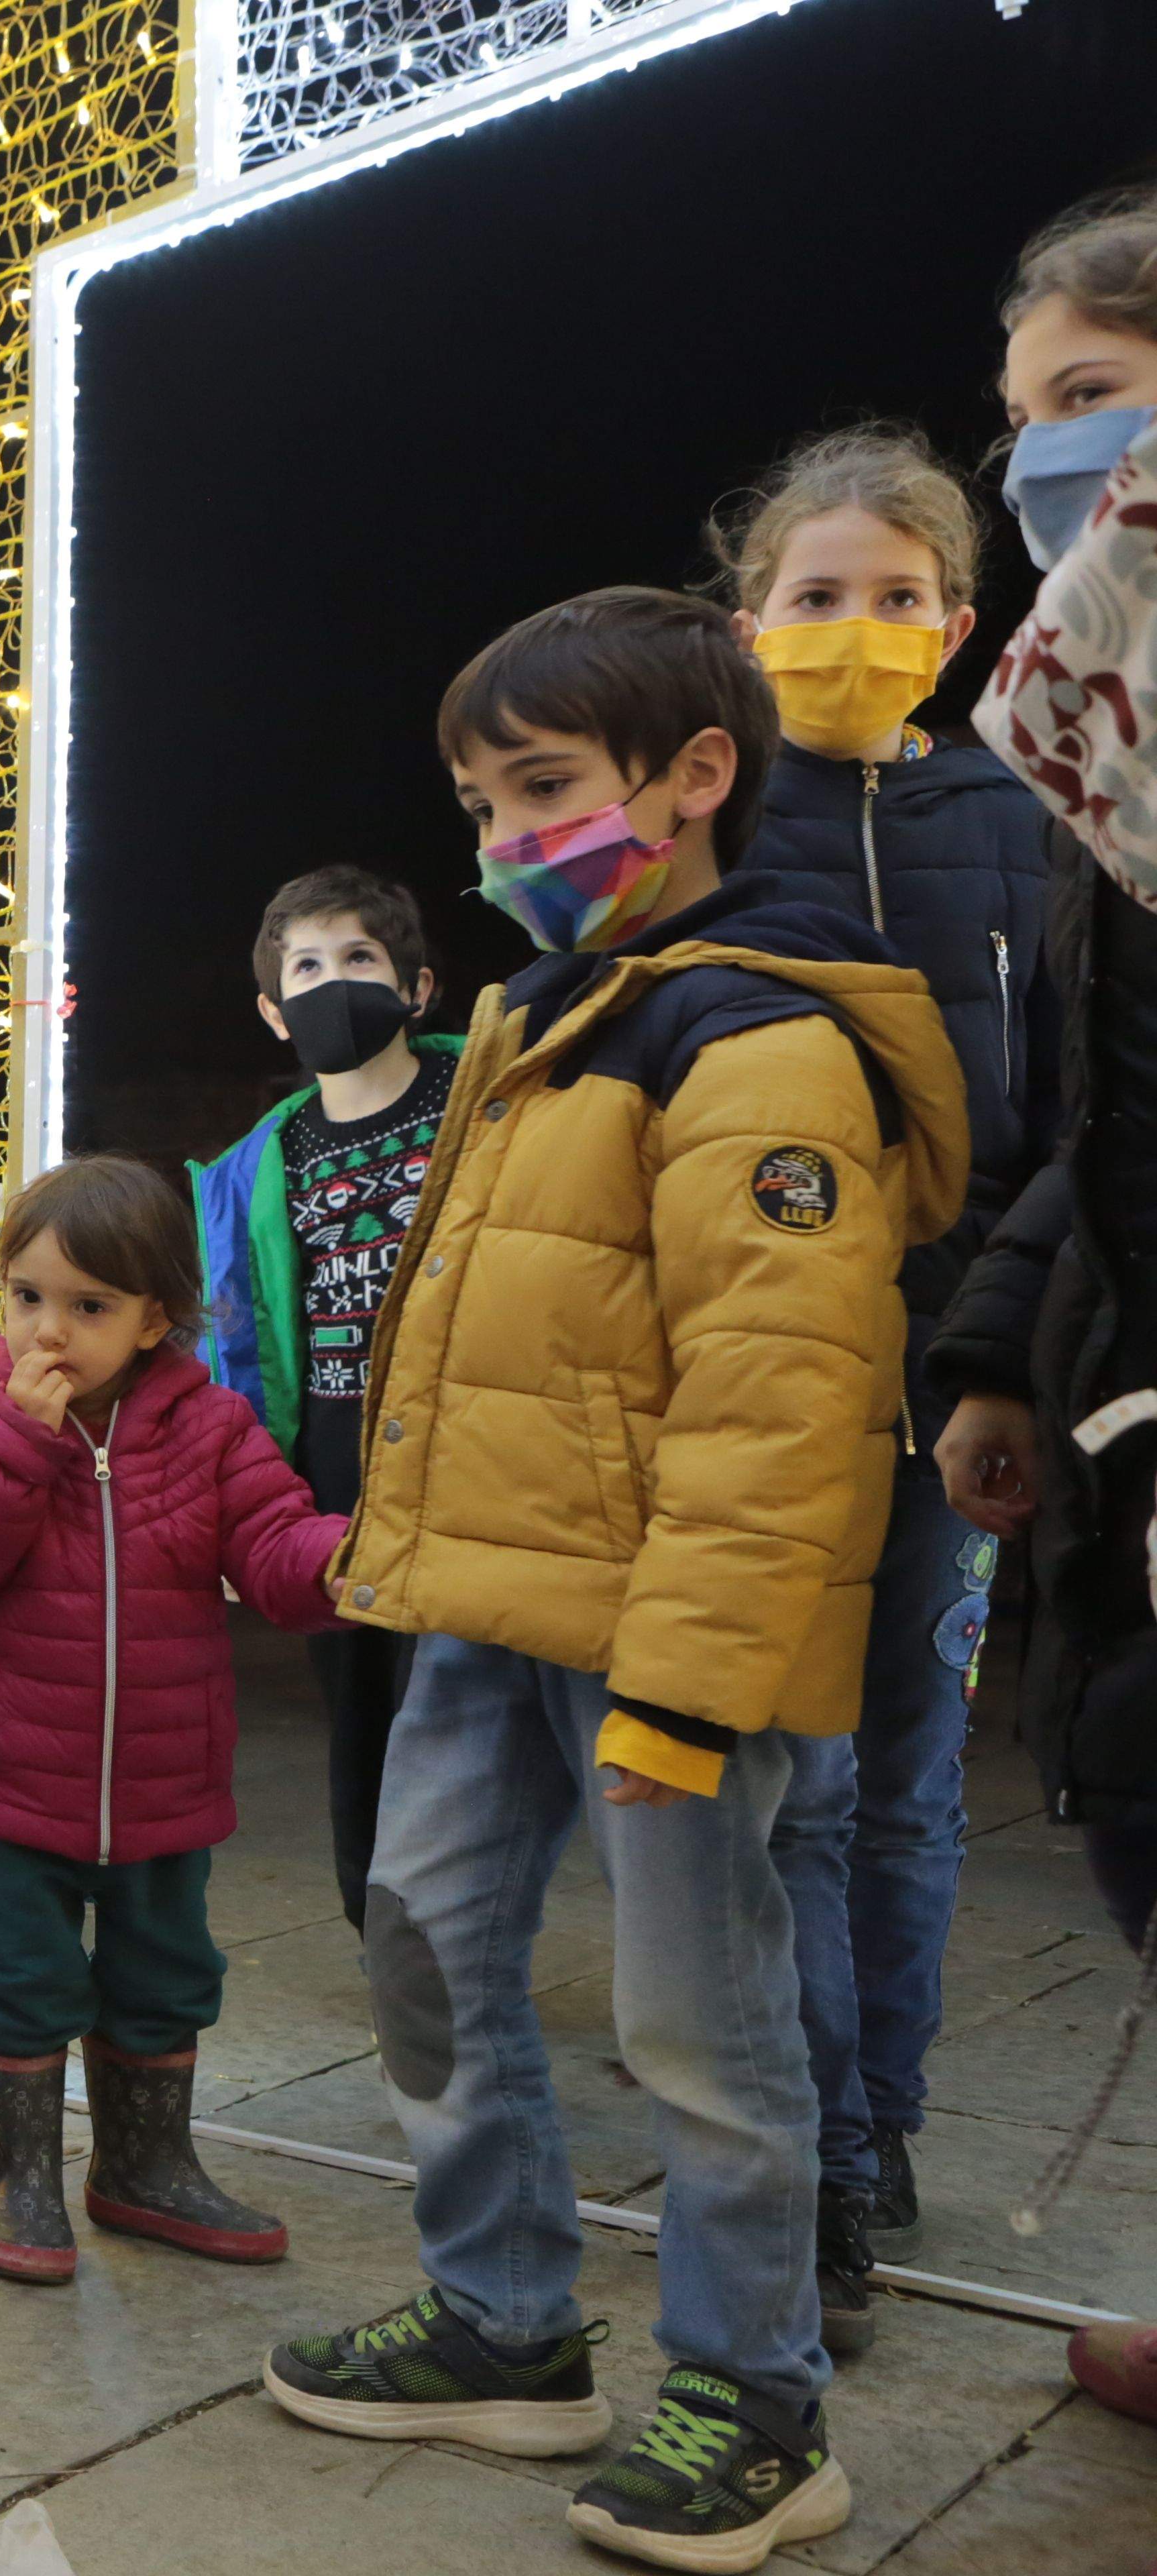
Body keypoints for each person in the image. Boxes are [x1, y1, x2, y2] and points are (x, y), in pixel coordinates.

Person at [261, 588, 963, 2575]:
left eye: (543, 790)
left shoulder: (758, 1038)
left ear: (696, 777)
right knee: (424, 1944)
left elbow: (784, 1404)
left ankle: (758, 2404)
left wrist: (692, 1690)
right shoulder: (532, 1023)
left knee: (699, 2022)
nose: (501, 842)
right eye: (478, 801)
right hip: (485, 1603)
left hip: (664, 1633)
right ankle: (503, 2321)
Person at [713, 424, 1061, 2348]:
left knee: (914, 1782)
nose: (857, 627)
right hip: (763, 1375)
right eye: (816, 598)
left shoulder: (1021, 820)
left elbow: (1066, 1103)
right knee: (801, 1792)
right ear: (746, 624)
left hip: (953, 1384)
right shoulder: (710, 826)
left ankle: (885, 2125)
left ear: (957, 617)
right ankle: (822, 2154)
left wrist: (995, 1341)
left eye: (897, 597)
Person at [0, 1156, 343, 2286]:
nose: (50, 1331)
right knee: (25, 1971)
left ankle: (145, 2166)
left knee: (166, 1970)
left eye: (89, 1306)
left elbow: (277, 1554)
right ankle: (28, 2180)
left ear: (156, 1319)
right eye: (27, 1297)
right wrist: (16, 1439)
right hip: (9, 1777)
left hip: (162, 1779)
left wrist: (353, 1556)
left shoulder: (213, 1428)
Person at [936, 185, 1157, 2433]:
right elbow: (1103, 1129)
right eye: (1028, 425)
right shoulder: (1111, 770)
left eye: (1091, 404)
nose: (1048, 473)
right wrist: (1006, 1349)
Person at [186, 866, 459, 1932]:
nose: (332, 982)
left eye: (359, 960)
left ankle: (474, 1919)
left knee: (476, 1707)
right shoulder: (257, 1167)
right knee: (361, 1714)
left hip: (472, 1453)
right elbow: (241, 1344)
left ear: (418, 987)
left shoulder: (478, 1103)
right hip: (337, 1474)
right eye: (306, 968)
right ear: (271, 1009)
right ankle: (383, 1933)